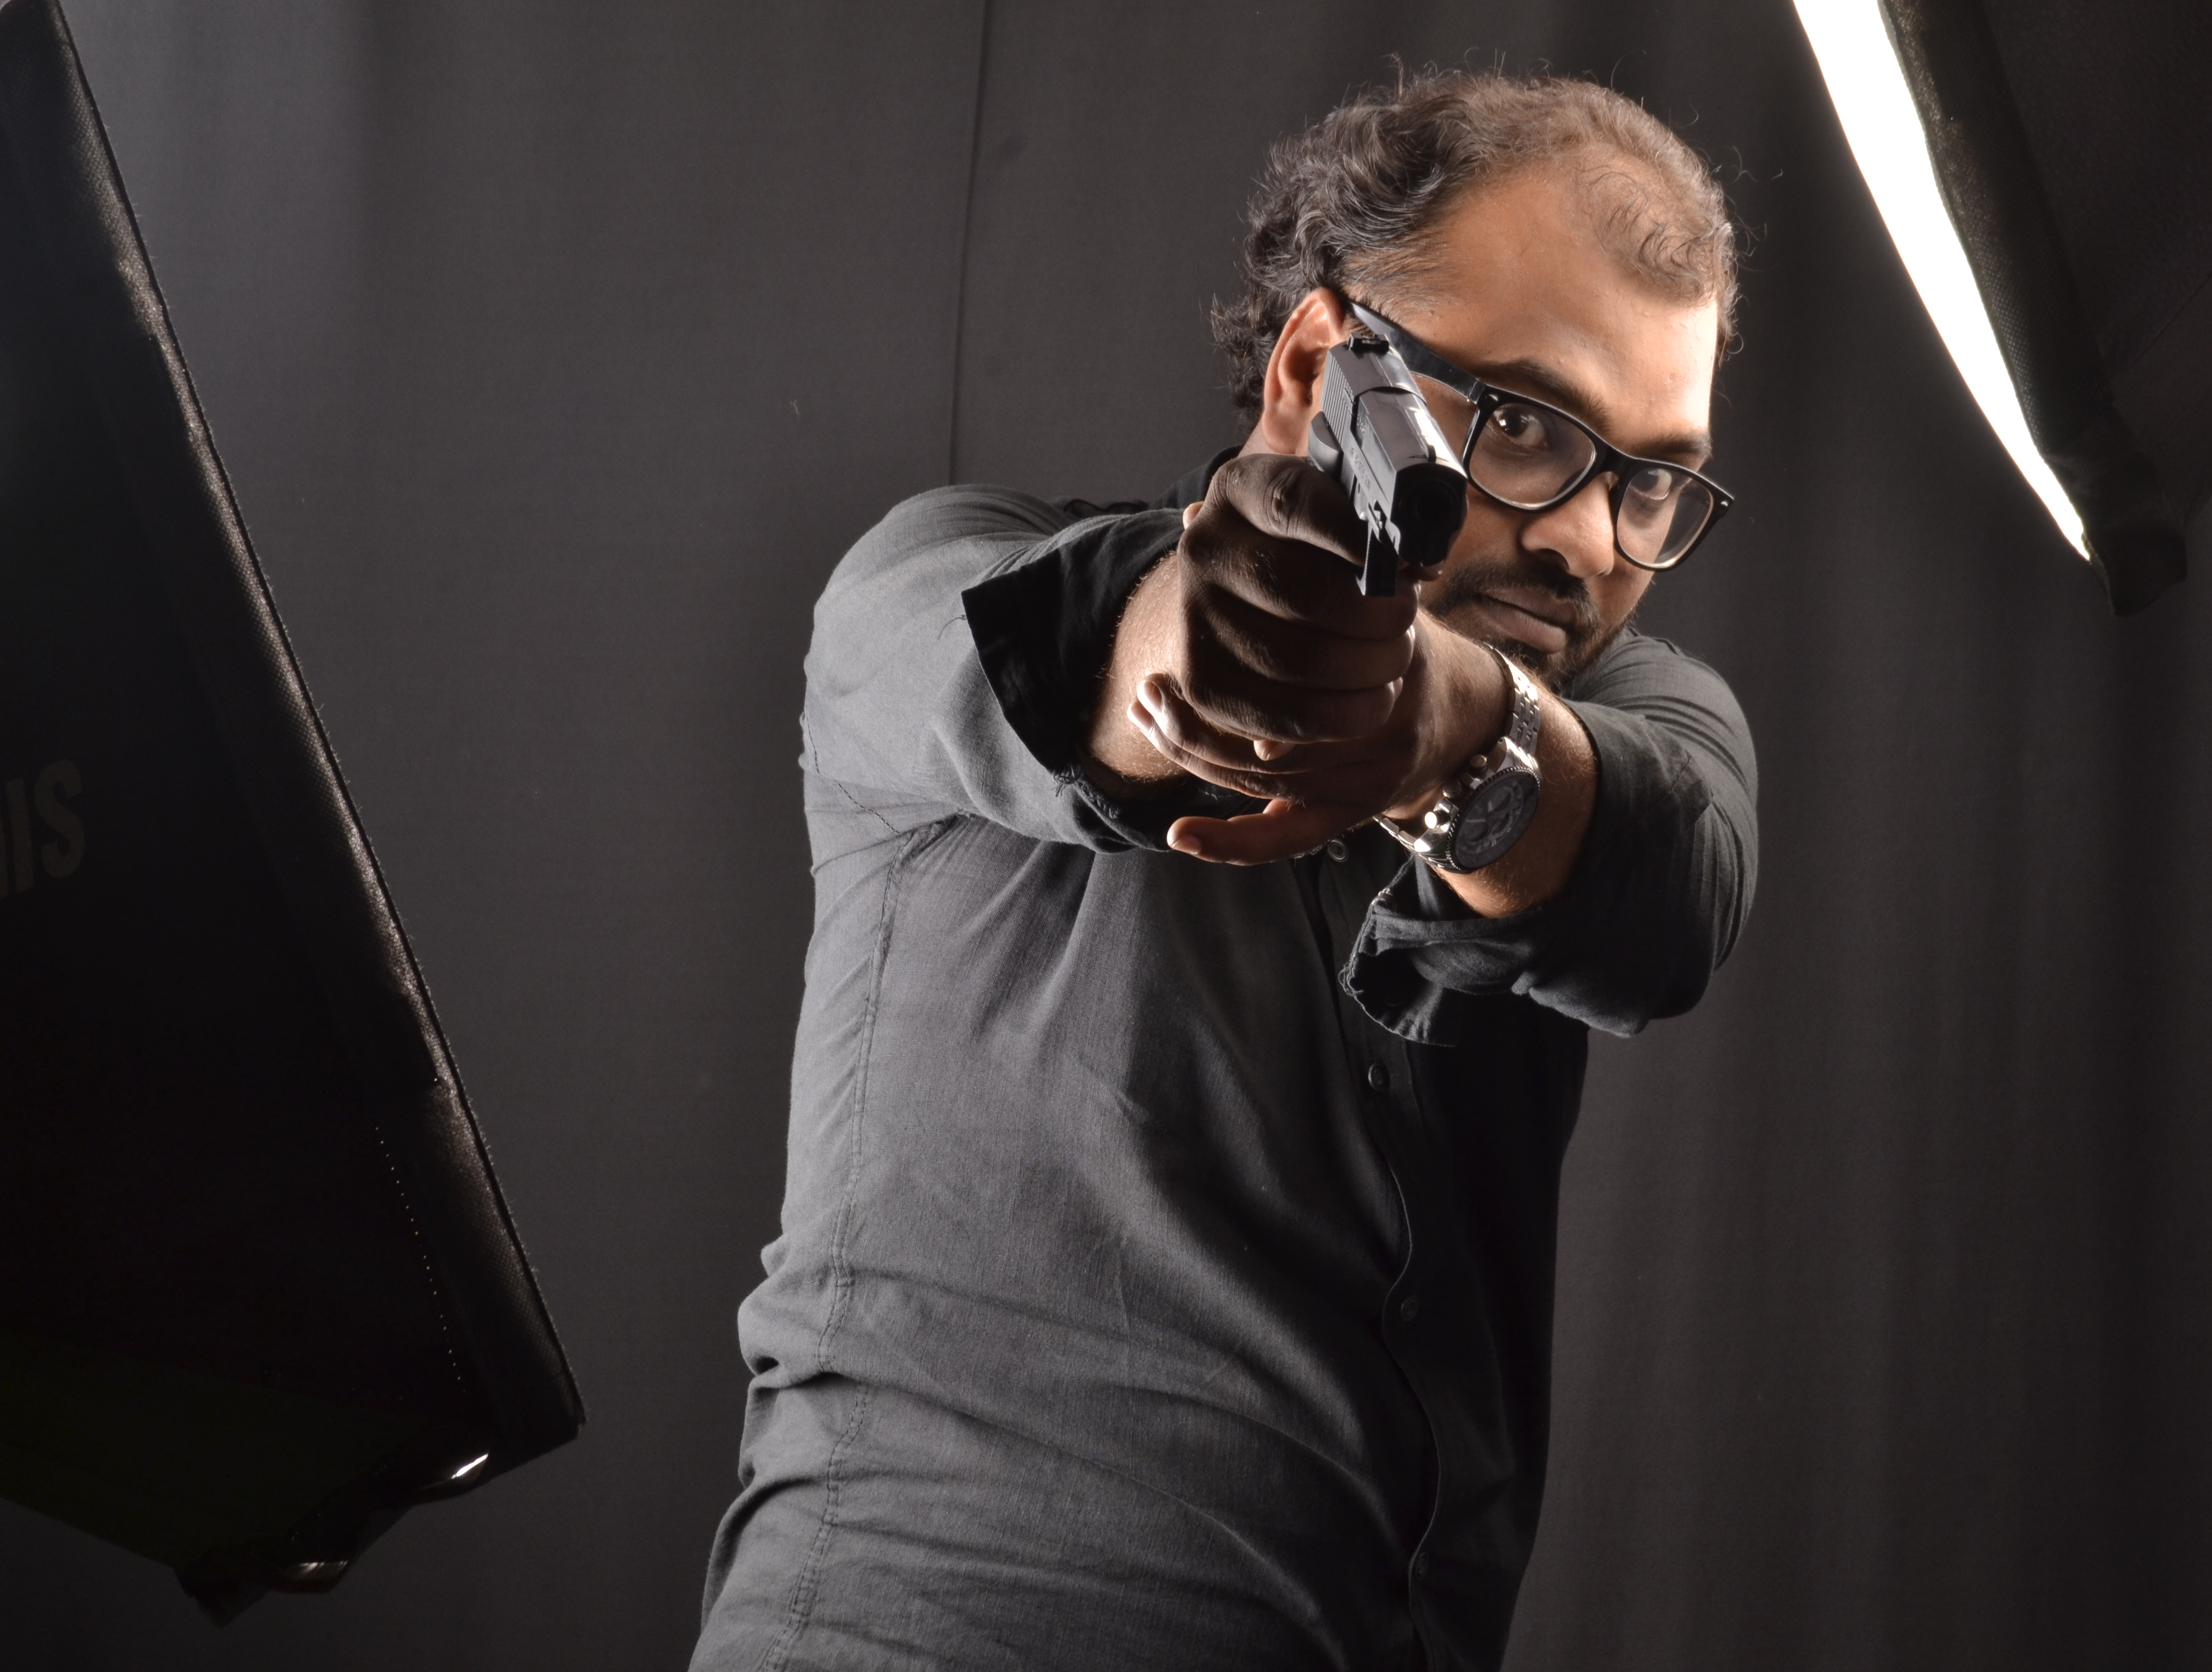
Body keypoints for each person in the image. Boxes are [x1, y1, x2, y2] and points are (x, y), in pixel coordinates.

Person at [691, 69, 1758, 1672]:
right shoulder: (927, 576)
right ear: (1324, 367)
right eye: (1527, 425)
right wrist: (1221, 650)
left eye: (1651, 476)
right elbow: (1074, 660)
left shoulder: (1647, 714)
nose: (1592, 541)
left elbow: (1666, 892)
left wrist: (1444, 729)